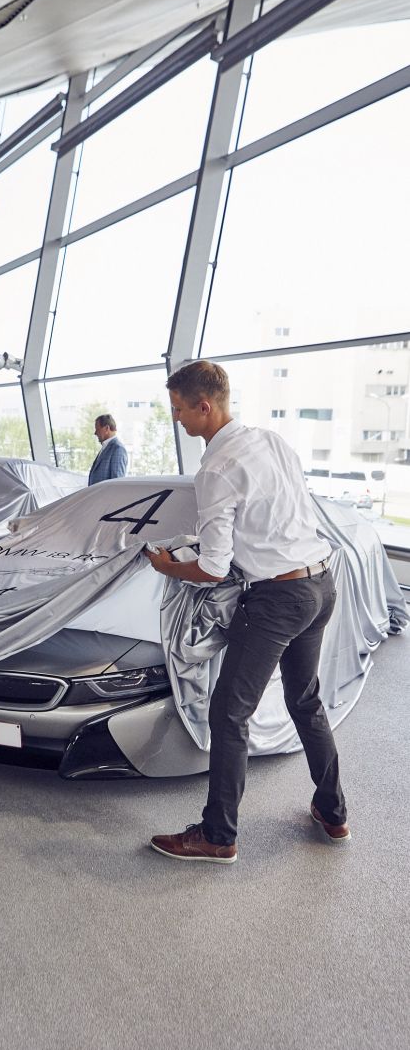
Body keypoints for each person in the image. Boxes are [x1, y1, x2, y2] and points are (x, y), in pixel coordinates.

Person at [145, 360, 348, 864]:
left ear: (204, 406)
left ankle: (218, 836)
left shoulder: (215, 469)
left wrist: (167, 566)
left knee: (229, 712)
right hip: (320, 584)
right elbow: (281, 515)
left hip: (277, 599)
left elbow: (213, 568)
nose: (177, 419)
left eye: (179, 410)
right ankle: (334, 812)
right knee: (305, 700)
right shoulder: (271, 441)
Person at [88, 414, 128, 485]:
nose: (95, 433)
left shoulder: (118, 449)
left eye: (97, 429)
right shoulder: (106, 447)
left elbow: (117, 483)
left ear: (107, 428)